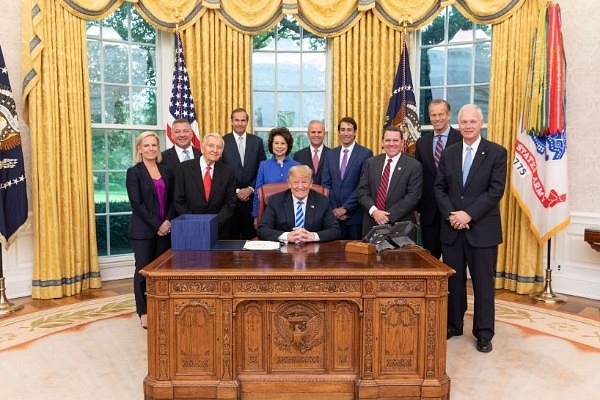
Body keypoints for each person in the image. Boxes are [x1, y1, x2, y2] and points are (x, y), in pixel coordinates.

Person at [434, 104, 507, 353]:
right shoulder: (449, 152)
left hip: (482, 231)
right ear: (458, 124)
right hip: (452, 229)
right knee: (453, 283)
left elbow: (495, 190)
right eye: (463, 122)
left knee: (483, 285)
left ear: (481, 123)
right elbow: (439, 188)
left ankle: (484, 333)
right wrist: (453, 216)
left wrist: (469, 214)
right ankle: (454, 324)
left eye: (472, 122)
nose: (467, 126)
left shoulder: (497, 152)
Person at [126, 131, 175, 329]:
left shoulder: (167, 171)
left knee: (162, 272)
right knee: (144, 271)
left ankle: (161, 308)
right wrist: (158, 224)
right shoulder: (134, 172)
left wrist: (168, 221)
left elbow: (172, 200)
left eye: (154, 145)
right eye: (146, 145)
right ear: (139, 149)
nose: (151, 149)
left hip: (166, 230)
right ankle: (144, 311)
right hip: (143, 232)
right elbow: (137, 204)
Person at [415, 99, 462, 259]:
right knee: (430, 259)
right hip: (429, 211)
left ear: (449, 115)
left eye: (441, 114)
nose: (437, 118)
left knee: (453, 259)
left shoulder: (461, 139)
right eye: (433, 115)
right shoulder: (422, 143)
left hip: (454, 209)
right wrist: (418, 209)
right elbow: (420, 179)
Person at [358, 125, 423, 240]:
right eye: (387, 140)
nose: (391, 144)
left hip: (400, 229)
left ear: (402, 142)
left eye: (395, 140)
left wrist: (387, 216)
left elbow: (413, 197)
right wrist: (375, 212)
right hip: (372, 225)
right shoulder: (371, 163)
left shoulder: (414, 165)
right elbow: (362, 191)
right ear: (382, 142)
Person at [174, 132, 237, 239]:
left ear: (222, 152)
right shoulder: (183, 169)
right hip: (190, 229)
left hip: (218, 230)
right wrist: (195, 223)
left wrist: (213, 224)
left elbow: (230, 203)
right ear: (202, 148)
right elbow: (179, 200)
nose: (215, 150)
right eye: (211, 146)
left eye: (219, 147)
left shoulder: (228, 172)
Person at [257, 165, 340, 243]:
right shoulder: (275, 200)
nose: (300, 187)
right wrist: (287, 236)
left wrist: (313, 236)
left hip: (313, 251)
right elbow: (262, 229)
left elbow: (335, 230)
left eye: (304, 182)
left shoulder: (322, 201)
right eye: (296, 182)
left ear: (311, 183)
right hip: (283, 251)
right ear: (289, 184)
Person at [321, 117, 373, 239]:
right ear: (338, 132)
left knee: (355, 255)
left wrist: (345, 209)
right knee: (334, 255)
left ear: (355, 132)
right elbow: (326, 183)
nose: (346, 133)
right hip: (333, 217)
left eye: (349, 130)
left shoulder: (365, 154)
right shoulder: (330, 154)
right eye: (342, 130)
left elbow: (363, 185)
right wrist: (334, 209)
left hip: (355, 217)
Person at [221, 108, 267, 239]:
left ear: (247, 122)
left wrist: (250, 189)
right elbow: (220, 170)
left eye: (243, 120)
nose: (240, 123)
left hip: (252, 199)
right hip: (230, 199)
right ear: (231, 121)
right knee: (231, 239)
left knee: (251, 239)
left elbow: (261, 168)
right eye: (236, 120)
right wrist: (236, 191)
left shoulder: (257, 142)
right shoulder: (223, 141)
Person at [251, 127, 300, 222]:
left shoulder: (296, 165)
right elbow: (258, 192)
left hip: (292, 214)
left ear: (288, 145)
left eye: (283, 143)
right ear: (271, 145)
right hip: (269, 213)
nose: (279, 147)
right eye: (276, 143)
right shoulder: (264, 165)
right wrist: (256, 215)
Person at [293, 120, 330, 184]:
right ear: (308, 134)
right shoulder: (298, 155)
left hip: (326, 193)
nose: (316, 135)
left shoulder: (332, 155)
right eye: (313, 132)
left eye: (319, 132)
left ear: (324, 134)